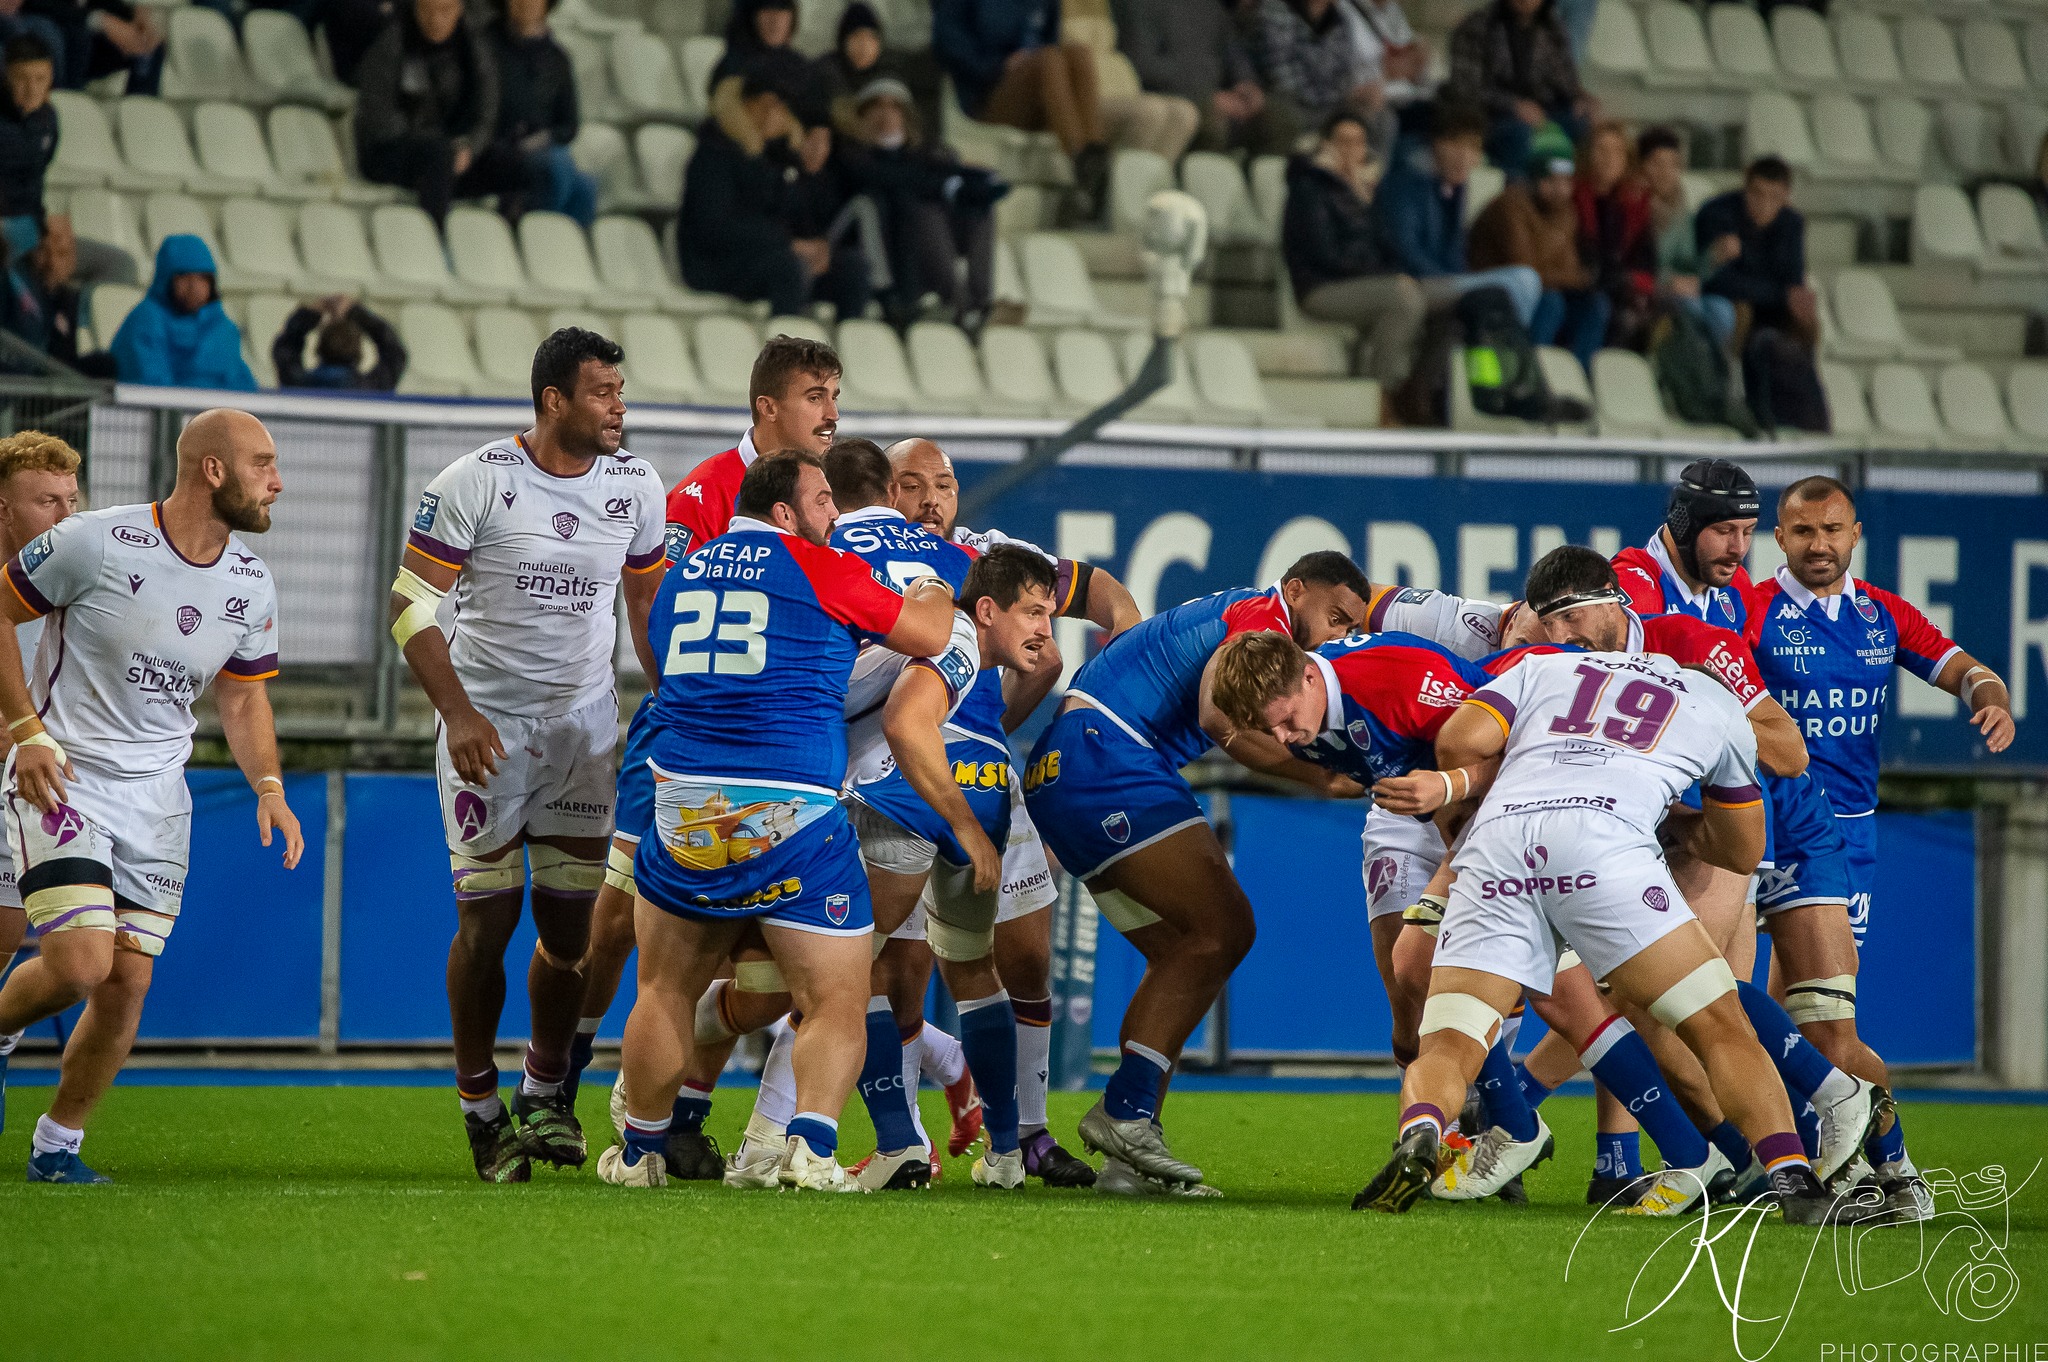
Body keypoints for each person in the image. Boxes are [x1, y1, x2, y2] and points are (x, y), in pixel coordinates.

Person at [1350, 645, 1850, 1224]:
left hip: (1497, 843)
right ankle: (1793, 1178)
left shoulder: (1549, 666)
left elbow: (1459, 738)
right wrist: (1679, 827)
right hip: (1604, 843)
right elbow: (1742, 850)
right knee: (1719, 1026)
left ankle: (1421, 1131)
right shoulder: (1717, 703)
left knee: (1450, 1043)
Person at [601, 452, 957, 1190]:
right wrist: (929, 582)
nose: (835, 516)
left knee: (663, 991)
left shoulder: (681, 576)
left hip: (685, 810)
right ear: (788, 514)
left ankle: (638, 1155)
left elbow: (668, 668)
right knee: (837, 997)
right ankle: (809, 1150)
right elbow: (927, 635)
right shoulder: (818, 567)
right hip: (792, 812)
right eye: (824, 501)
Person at [390, 328, 668, 1184]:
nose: (619, 407)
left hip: (584, 732)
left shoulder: (636, 486)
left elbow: (645, 608)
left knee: (568, 930)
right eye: (602, 393)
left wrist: (671, 706)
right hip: (488, 731)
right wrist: (460, 714)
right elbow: (409, 610)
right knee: (488, 920)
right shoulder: (476, 481)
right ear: (555, 400)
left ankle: (545, 1094)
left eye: (621, 391)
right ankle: (482, 1112)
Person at [0, 409, 301, 1182]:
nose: (277, 480)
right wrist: (28, 729)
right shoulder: (94, 541)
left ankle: (57, 1148)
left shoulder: (251, 581)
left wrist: (268, 784)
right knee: (78, 966)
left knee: (128, 980)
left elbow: (243, 698)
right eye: (262, 463)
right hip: (65, 778)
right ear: (212, 469)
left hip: (160, 800)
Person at [1022, 552, 1368, 1194]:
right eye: (1335, 616)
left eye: (1352, 626)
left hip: (1065, 770)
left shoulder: (1239, 615)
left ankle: (1128, 1161)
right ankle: (1125, 1113)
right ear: (1295, 590)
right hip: (1108, 757)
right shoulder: (1263, 619)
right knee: (1225, 928)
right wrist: (1319, 777)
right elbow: (1217, 714)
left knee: (1181, 953)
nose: (1339, 636)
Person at [1746, 477, 2012, 1217]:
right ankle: (1829, 1170)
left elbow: (1961, 666)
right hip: (1757, 822)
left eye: (1832, 530)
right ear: (1780, 538)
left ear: (1855, 532)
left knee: (1820, 1025)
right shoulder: (1751, 609)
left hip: (1843, 836)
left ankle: (1886, 1172)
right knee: (1769, 1018)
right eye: (1804, 532)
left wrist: (1989, 694)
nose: (1819, 545)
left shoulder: (1881, 615)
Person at [887, 435, 1136, 1189]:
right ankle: (904, 1141)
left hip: (982, 777)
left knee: (1022, 959)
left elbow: (1099, 598)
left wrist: (1115, 664)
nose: (932, 499)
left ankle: (1024, 1135)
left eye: (945, 483)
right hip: (889, 774)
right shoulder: (860, 548)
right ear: (884, 493)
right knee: (893, 972)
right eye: (911, 484)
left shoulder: (988, 553)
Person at [678, 66, 871, 322]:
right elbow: (714, 227)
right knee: (789, 269)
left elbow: (800, 217)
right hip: (720, 264)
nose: (771, 114)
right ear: (744, 105)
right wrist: (788, 244)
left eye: (778, 106)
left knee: (852, 267)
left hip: (778, 257)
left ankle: (844, 353)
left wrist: (817, 247)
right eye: (763, 104)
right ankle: (785, 358)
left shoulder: (781, 159)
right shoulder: (714, 155)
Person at [833, 77, 1003, 332]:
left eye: (894, 107)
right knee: (924, 211)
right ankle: (957, 302)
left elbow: (939, 175)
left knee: (980, 208)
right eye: (877, 107)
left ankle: (981, 301)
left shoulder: (925, 151)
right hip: (887, 248)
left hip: (924, 244)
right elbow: (893, 180)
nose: (886, 115)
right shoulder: (853, 153)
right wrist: (941, 183)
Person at [0, 429, 74, 1011]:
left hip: (21, 780)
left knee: (8, 938)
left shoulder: (72, 574)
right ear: (4, 509)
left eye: (73, 499)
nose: (66, 514)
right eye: (48, 501)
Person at [353, 0, 534, 227]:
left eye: (445, 10)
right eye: (428, 10)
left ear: (459, 10)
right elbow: (378, 119)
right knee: (437, 156)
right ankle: (436, 243)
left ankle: (508, 244)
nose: (436, 20)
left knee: (516, 165)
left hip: (451, 150)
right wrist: (439, 146)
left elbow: (486, 113)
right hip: (391, 151)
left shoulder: (474, 49)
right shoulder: (390, 44)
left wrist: (470, 147)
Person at [1281, 109, 1425, 394]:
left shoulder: (1364, 191)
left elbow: (1391, 248)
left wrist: (1365, 202)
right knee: (1404, 298)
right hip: (1322, 288)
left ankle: (1419, 396)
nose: (1350, 150)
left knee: (1438, 302)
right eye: (1342, 141)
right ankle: (1378, 394)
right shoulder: (1308, 188)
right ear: (1326, 145)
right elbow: (1326, 256)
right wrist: (1389, 276)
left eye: (1357, 142)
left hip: (1365, 282)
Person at [931, 0, 1110, 224]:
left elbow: (1050, 38)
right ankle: (1081, 164)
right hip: (987, 91)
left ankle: (1093, 159)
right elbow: (946, 43)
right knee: (1048, 60)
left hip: (1039, 89)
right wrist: (999, 66)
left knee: (1078, 53)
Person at [1376, 101, 1542, 326]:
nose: (1465, 157)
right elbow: (1405, 251)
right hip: (1411, 284)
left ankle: (1504, 349)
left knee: (1520, 285)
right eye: (1456, 144)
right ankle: (1512, 351)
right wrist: (1452, 280)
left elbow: (1456, 252)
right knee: (1523, 280)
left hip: (1445, 281)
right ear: (1434, 143)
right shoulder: (1405, 183)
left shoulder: (1455, 188)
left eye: (1474, 148)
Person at [1696, 155, 1825, 433]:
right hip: (1734, 307)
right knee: (1748, 320)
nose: (1764, 205)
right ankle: (1747, 405)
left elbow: (1793, 282)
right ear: (1746, 189)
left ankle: (1809, 418)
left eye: (1774, 197)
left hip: (1771, 310)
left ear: (1786, 197)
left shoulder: (1791, 225)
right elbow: (1719, 281)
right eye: (1757, 194)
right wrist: (1778, 293)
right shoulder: (1718, 214)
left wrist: (1786, 297)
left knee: (1803, 320)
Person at [1467, 123, 1608, 368]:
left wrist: (1573, 277)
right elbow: (1525, 273)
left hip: (1543, 288)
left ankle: (1575, 377)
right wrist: (1576, 277)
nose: (1561, 190)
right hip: (1497, 289)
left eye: (1566, 182)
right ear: (1534, 180)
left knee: (1595, 305)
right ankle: (1530, 373)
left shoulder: (1567, 213)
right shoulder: (1509, 206)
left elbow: (1567, 267)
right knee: (1551, 301)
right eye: (1552, 181)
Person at [1113, 0, 1288, 156]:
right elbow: (1142, 65)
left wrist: (1245, 84)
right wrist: (1208, 95)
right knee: (1213, 122)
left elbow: (1233, 52)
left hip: (1218, 94)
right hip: (1172, 94)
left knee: (1281, 120)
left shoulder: (1210, 6)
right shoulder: (1137, 4)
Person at [1446, 0, 1596, 176]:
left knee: (1584, 126)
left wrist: (1580, 98)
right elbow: (1466, 88)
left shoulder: (1552, 28)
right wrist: (1514, 105)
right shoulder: (1477, 26)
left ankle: (1565, 195)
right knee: (1519, 135)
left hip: (1542, 112)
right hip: (1490, 116)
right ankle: (1516, 194)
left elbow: (1566, 80)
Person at [488, 0, 596, 228]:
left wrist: (543, 139)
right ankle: (528, 233)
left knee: (586, 187)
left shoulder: (557, 58)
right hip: (496, 146)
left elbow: (569, 124)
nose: (525, 4)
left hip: (540, 147)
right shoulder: (487, 47)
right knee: (556, 167)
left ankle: (559, 249)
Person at [109, 235, 256, 391]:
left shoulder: (222, 326)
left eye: (202, 278)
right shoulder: (146, 321)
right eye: (184, 277)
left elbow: (242, 385)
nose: (194, 287)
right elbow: (150, 385)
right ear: (166, 279)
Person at [1249, 0, 1389, 155]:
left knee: (1383, 118)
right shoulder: (1277, 8)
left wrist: (1354, 95)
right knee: (1290, 119)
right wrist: (1331, 101)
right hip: (1285, 100)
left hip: (1327, 103)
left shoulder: (1339, 19)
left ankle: (1364, 176)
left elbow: (1342, 70)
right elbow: (1280, 73)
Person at [1638, 125, 1734, 348]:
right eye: (1657, 164)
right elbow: (1633, 264)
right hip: (1650, 290)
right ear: (1642, 166)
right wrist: (1667, 282)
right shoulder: (1633, 208)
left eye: (1673, 164)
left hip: (1681, 291)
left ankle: (1712, 374)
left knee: (1722, 310)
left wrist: (1712, 258)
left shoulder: (1683, 214)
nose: (1666, 172)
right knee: (1691, 308)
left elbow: (1689, 266)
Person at [1575, 120, 1655, 351]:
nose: (1610, 158)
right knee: (1604, 307)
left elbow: (1646, 260)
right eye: (1602, 150)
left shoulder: (1634, 205)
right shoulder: (1573, 198)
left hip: (1621, 284)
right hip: (1585, 284)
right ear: (1587, 155)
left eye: (1618, 152)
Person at [271, 294, 407, 391]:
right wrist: (356, 312)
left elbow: (286, 349)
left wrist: (309, 314)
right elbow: (394, 353)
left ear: (317, 348)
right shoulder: (371, 389)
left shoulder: (298, 385)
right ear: (359, 352)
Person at [25, 0, 162, 94]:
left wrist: (137, 12)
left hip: (87, 39)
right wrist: (100, 20)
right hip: (46, 24)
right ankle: (67, 103)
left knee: (149, 41)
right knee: (78, 36)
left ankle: (138, 112)